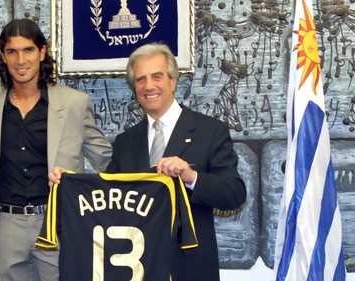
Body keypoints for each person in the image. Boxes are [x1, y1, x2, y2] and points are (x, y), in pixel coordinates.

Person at [49, 42, 246, 281]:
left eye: (157, 76)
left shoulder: (210, 130)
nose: (149, 86)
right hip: (137, 269)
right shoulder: (125, 141)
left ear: (173, 81)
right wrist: (66, 185)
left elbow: (234, 194)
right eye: (140, 80)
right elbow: (109, 197)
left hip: (189, 269)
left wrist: (190, 177)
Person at [0, 18, 112, 281]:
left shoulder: (74, 102)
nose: (20, 60)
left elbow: (106, 160)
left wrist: (153, 178)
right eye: (12, 52)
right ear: (3, 57)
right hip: (7, 225)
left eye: (28, 50)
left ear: (42, 52)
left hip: (57, 223)